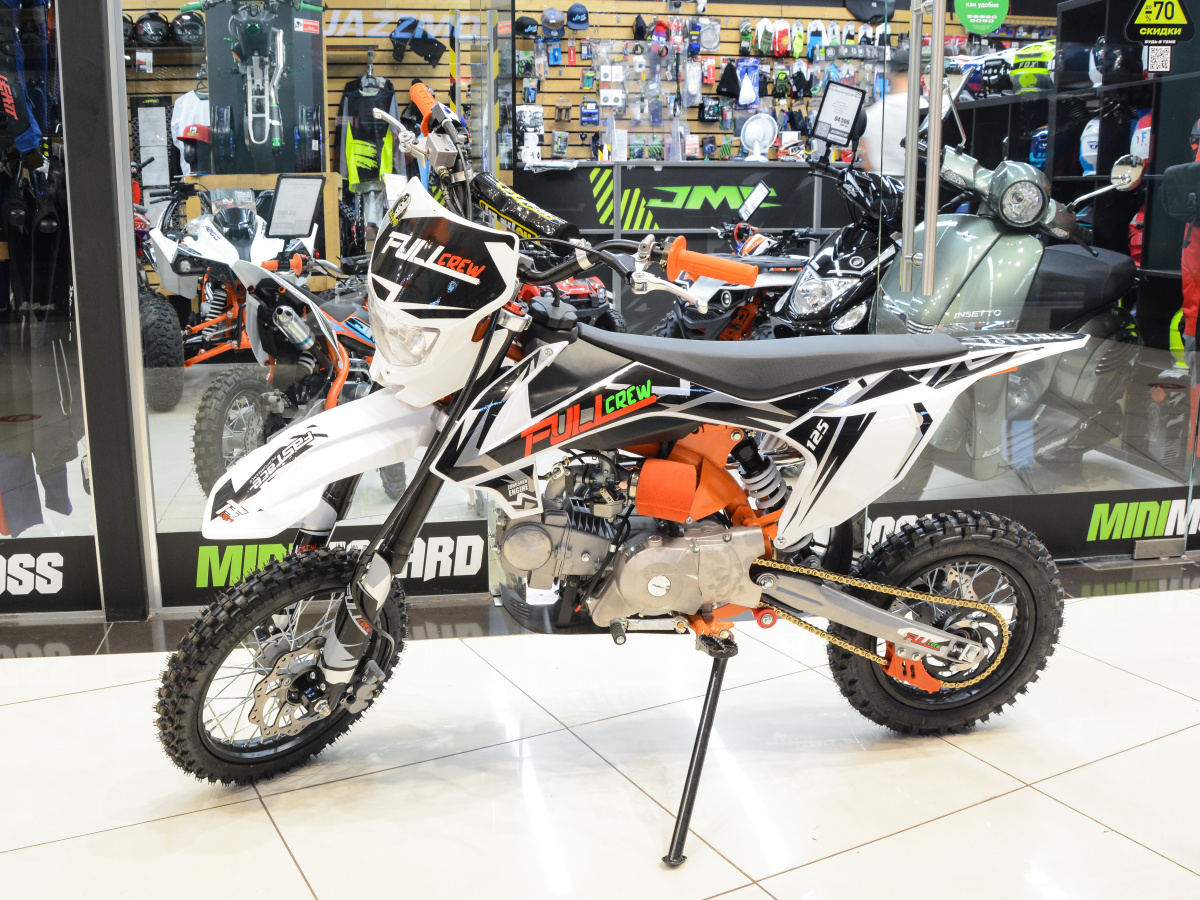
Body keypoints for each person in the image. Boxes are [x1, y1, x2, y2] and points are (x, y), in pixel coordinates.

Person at [860, 48, 924, 177]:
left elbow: (867, 165)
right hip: (915, 185)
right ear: (919, 73)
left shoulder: (873, 114)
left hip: (881, 185)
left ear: (889, 75)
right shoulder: (924, 109)